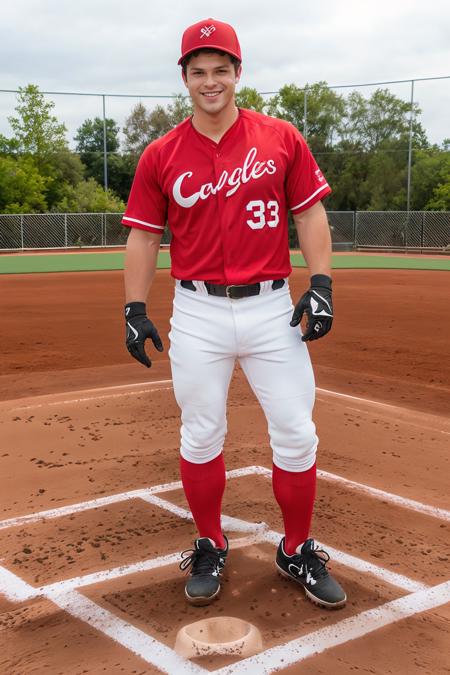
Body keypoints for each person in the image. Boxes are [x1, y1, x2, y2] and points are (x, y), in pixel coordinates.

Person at [122, 18, 346, 610]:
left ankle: (296, 548)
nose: (210, 80)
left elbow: (310, 213)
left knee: (297, 432)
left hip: (274, 307)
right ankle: (209, 541)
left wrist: (320, 282)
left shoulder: (280, 138)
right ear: (185, 78)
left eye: (221, 69)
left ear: (238, 73)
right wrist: (134, 306)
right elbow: (144, 237)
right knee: (201, 433)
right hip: (197, 312)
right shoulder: (162, 153)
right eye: (199, 71)